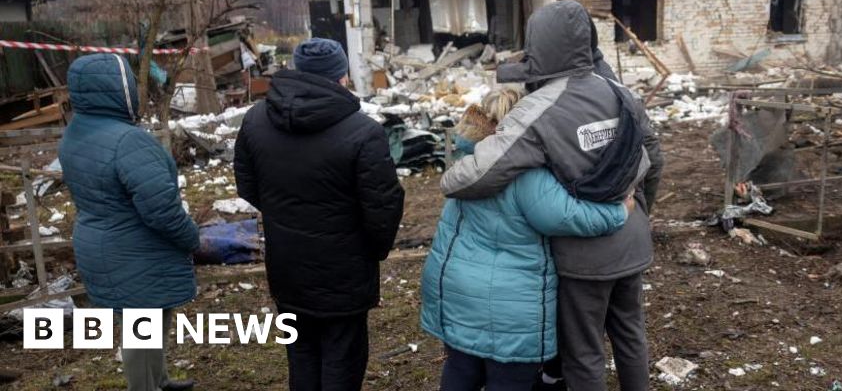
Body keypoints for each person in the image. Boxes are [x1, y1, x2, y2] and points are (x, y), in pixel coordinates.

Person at [441, 0, 654, 391]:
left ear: (539, 44)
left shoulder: (538, 109)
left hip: (583, 256)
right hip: (632, 241)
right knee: (630, 337)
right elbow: (651, 154)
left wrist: (449, 176)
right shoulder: (619, 92)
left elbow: (481, 173)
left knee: (584, 353)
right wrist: (640, 211)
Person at [421, 88, 634, 391]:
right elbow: (567, 216)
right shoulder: (524, 175)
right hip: (507, 305)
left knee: (461, 368)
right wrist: (620, 211)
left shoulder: (469, 162)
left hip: (456, 290)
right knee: (507, 378)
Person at [234, 38, 405, 391]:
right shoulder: (364, 132)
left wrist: (287, 216)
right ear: (341, 76)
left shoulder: (255, 121)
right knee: (342, 360)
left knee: (301, 354)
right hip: (344, 273)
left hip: (287, 267)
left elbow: (249, 188)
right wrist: (370, 251)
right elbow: (383, 209)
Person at [59, 53, 199, 391]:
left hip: (102, 242)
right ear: (116, 90)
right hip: (135, 250)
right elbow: (160, 210)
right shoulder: (127, 140)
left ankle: (160, 379)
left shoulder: (76, 132)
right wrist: (193, 238)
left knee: (150, 317)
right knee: (141, 325)